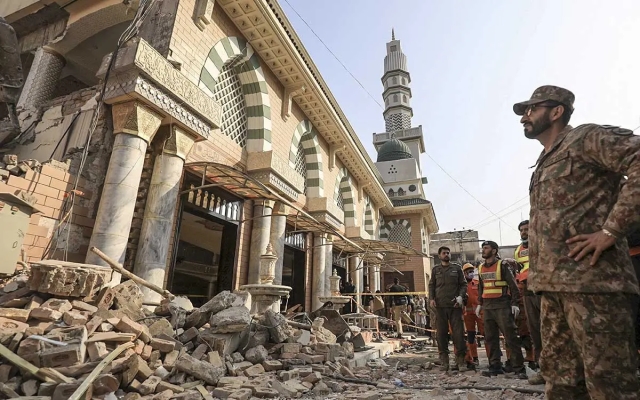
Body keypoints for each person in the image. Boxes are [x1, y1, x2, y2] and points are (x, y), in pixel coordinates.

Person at [514, 85, 640, 398]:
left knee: (608, 383)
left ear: (556, 111)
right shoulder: (543, 161)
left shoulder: (585, 139)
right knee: (561, 382)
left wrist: (610, 230)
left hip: (594, 285)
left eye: (532, 109)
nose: (524, 118)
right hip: (553, 288)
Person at [475, 241, 526, 379]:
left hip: (502, 305)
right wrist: (480, 303)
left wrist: (515, 303)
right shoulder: (480, 268)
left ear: (494, 251)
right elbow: (481, 287)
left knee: (511, 338)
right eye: (483, 248)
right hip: (488, 306)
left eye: (486, 248)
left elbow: (513, 285)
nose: (483, 250)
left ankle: (519, 368)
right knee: (490, 338)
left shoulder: (502, 265)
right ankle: (495, 367)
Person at [428, 246, 468, 371]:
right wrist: (431, 298)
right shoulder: (436, 270)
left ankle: (460, 362)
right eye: (444, 253)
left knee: (458, 335)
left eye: (448, 253)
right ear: (439, 256)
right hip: (440, 307)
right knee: (441, 335)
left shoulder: (457, 268)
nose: (446, 254)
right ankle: (444, 362)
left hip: (454, 306)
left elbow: (463, 284)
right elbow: (431, 286)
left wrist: (461, 297)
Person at [462, 263, 489, 367]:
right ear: (464, 273)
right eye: (468, 271)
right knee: (471, 336)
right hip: (468, 314)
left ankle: (491, 358)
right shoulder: (462, 286)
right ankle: (474, 358)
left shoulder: (477, 283)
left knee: (486, 334)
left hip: (480, 312)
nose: (471, 273)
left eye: (472, 271)